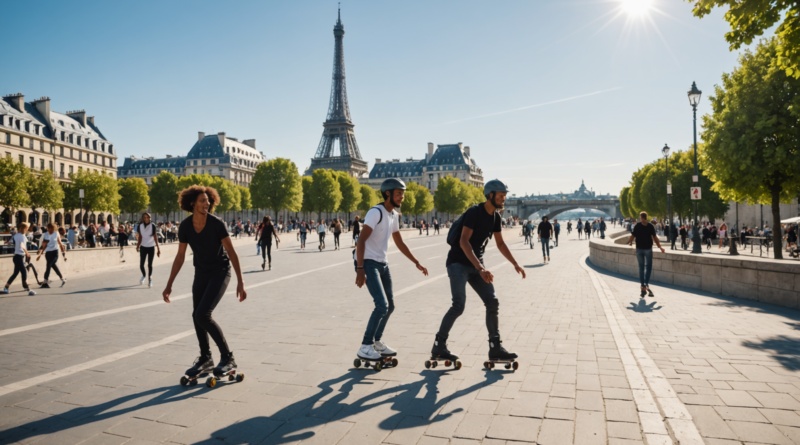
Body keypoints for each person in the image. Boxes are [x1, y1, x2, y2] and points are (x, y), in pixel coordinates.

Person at [430, 179, 525, 364]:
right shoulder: (475, 212)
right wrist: (481, 268)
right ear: (490, 195)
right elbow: (463, 241)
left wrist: (515, 263)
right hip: (458, 263)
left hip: (477, 266)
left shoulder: (496, 217)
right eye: (500, 196)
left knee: (492, 301)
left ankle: (495, 347)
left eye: (505, 196)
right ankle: (439, 345)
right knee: (458, 305)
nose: (503, 199)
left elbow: (500, 243)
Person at [163, 186, 246, 379]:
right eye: (202, 201)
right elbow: (180, 257)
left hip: (220, 271)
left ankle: (227, 357)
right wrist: (169, 284)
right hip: (201, 273)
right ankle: (206, 357)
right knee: (196, 316)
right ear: (192, 203)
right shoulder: (185, 226)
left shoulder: (217, 224)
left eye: (208, 200)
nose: (206, 204)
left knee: (203, 314)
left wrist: (240, 282)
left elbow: (232, 253)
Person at [355, 178, 428, 362]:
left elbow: (399, 242)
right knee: (382, 305)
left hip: (382, 263)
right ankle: (365, 346)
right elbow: (361, 241)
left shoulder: (394, 215)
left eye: (403, 194)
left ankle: (376, 342)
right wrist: (360, 269)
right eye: (398, 194)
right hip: (368, 262)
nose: (402, 197)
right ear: (387, 193)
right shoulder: (375, 212)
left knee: (390, 305)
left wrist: (416, 262)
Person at [626, 211, 665, 298]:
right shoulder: (650, 226)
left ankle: (643, 286)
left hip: (639, 249)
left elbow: (633, 236)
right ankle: (646, 284)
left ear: (642, 217)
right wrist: (660, 247)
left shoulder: (638, 226)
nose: (640, 219)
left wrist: (628, 242)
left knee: (641, 268)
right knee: (648, 267)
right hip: (647, 249)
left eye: (640, 217)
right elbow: (655, 238)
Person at [3, 223, 36, 295]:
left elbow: (11, 242)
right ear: (23, 228)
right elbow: (23, 246)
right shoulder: (22, 236)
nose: (27, 229)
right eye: (26, 228)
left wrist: (8, 242)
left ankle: (6, 287)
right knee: (24, 272)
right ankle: (28, 289)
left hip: (18, 257)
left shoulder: (17, 235)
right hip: (19, 257)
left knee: (15, 273)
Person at [36, 223, 67, 288]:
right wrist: (40, 250)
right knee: (53, 266)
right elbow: (44, 244)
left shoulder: (56, 233)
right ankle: (62, 278)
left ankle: (45, 282)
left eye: (52, 228)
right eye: (49, 228)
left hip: (55, 252)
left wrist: (64, 254)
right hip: (48, 253)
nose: (51, 230)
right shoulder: (45, 234)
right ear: (48, 228)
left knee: (48, 265)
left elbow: (60, 243)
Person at [135, 213, 160, 287]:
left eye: (147, 217)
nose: (146, 219)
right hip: (143, 247)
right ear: (142, 218)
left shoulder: (152, 226)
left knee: (150, 265)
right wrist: (137, 245)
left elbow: (155, 237)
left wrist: (158, 248)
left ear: (150, 218)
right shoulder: (140, 226)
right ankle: (144, 275)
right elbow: (140, 237)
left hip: (151, 247)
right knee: (141, 265)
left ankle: (150, 280)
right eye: (144, 217)